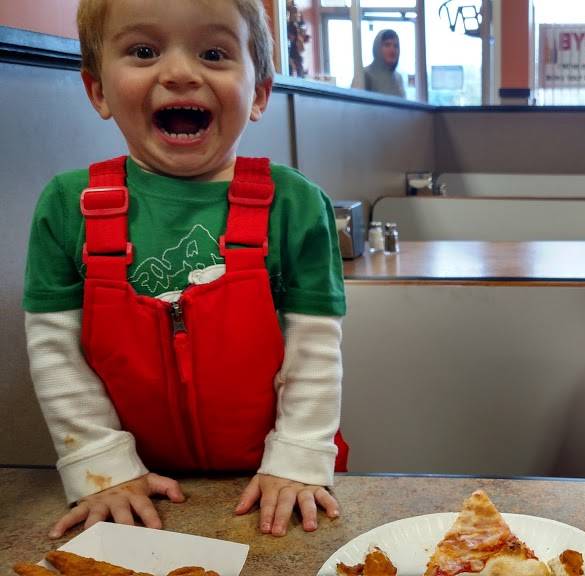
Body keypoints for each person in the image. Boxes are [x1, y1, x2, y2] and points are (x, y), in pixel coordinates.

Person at [22, 0, 348, 538]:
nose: (178, 73)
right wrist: (100, 467)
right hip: (135, 488)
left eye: (214, 54)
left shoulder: (296, 204)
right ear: (98, 90)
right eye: (143, 51)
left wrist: (298, 459)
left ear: (259, 92)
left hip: (280, 480)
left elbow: (315, 350)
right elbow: (56, 354)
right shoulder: (67, 206)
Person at [359, 29, 406, 98]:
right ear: (377, 48)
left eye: (396, 46)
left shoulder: (398, 78)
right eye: (387, 45)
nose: (392, 50)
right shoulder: (365, 75)